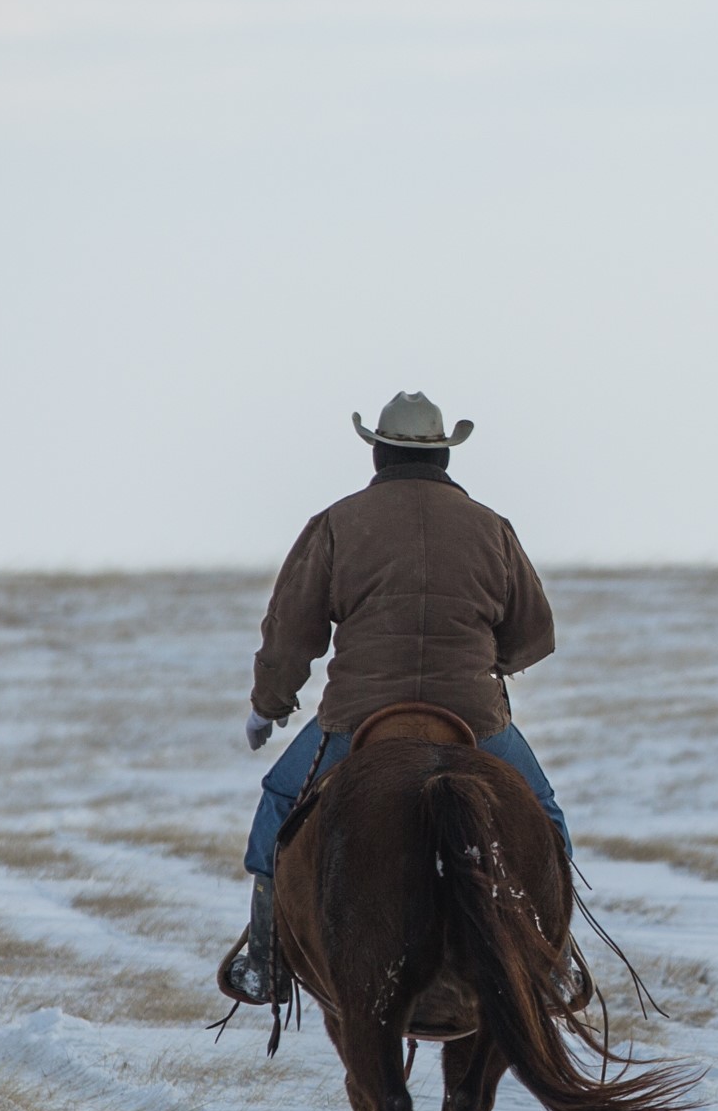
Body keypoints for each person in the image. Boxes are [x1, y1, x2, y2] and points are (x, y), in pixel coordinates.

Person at [217, 391, 570, 1006]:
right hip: (474, 717)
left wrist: (268, 705)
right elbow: (533, 632)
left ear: (378, 453)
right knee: (544, 817)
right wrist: (490, 665)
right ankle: (554, 965)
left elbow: (291, 632)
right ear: (444, 458)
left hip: (357, 719)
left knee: (279, 804)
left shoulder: (336, 523)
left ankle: (265, 960)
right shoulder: (493, 528)